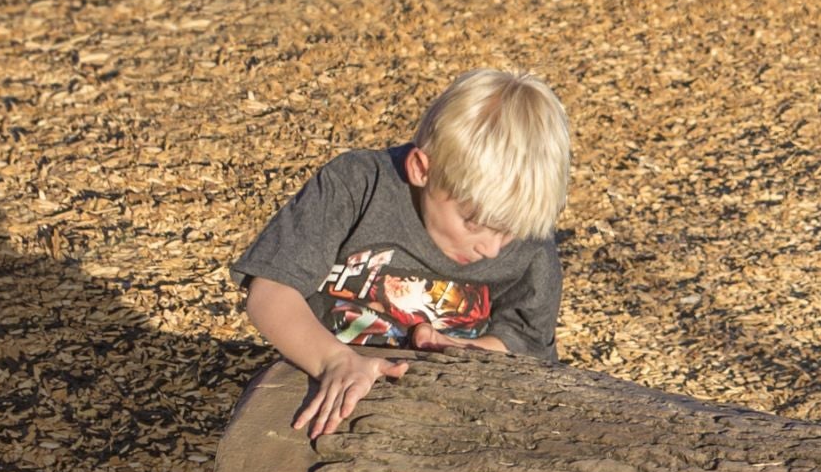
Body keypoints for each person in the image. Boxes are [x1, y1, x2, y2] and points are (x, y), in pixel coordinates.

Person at [233, 68, 570, 439]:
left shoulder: (530, 238)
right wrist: (335, 361)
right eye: (473, 222)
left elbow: (527, 342)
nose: (490, 248)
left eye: (509, 232)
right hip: (325, 380)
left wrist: (469, 351)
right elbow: (270, 292)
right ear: (421, 169)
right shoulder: (357, 186)